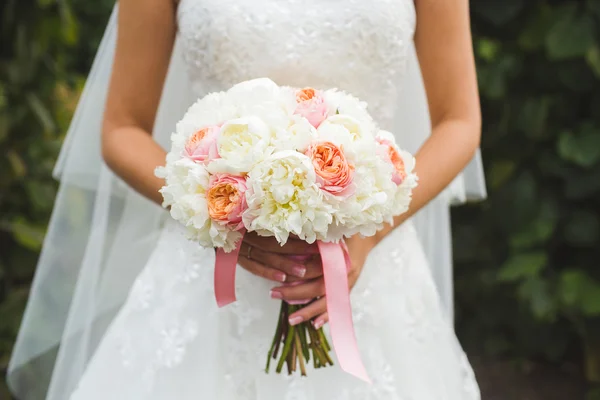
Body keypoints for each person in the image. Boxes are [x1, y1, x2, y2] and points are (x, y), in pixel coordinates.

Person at [8, 0, 487, 399]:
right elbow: (121, 129)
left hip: (372, 262)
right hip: (208, 272)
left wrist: (367, 234)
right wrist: (220, 212)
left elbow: (459, 120)